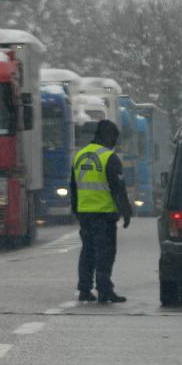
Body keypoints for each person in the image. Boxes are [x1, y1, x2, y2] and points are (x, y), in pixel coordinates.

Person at [70, 119, 134, 303]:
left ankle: (84, 289)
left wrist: (76, 210)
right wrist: (126, 212)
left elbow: (73, 186)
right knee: (105, 253)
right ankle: (105, 291)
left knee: (88, 252)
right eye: (114, 138)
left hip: (85, 214)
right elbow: (118, 189)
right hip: (104, 215)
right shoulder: (109, 157)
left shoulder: (79, 156)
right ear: (107, 136)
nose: (115, 143)